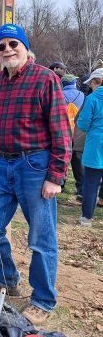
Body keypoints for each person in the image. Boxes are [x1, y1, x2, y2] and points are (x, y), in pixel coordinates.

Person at [0, 23, 71, 326]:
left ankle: (43, 299)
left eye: (13, 44)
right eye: (2, 46)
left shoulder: (45, 79)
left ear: (24, 47)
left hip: (35, 165)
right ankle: (8, 279)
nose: (7, 50)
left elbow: (61, 131)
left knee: (41, 237)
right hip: (2, 165)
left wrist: (55, 176)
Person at [76, 68, 103, 227]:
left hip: (95, 144)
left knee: (91, 183)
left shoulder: (92, 98)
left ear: (97, 82)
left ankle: (87, 218)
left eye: (91, 83)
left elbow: (84, 124)